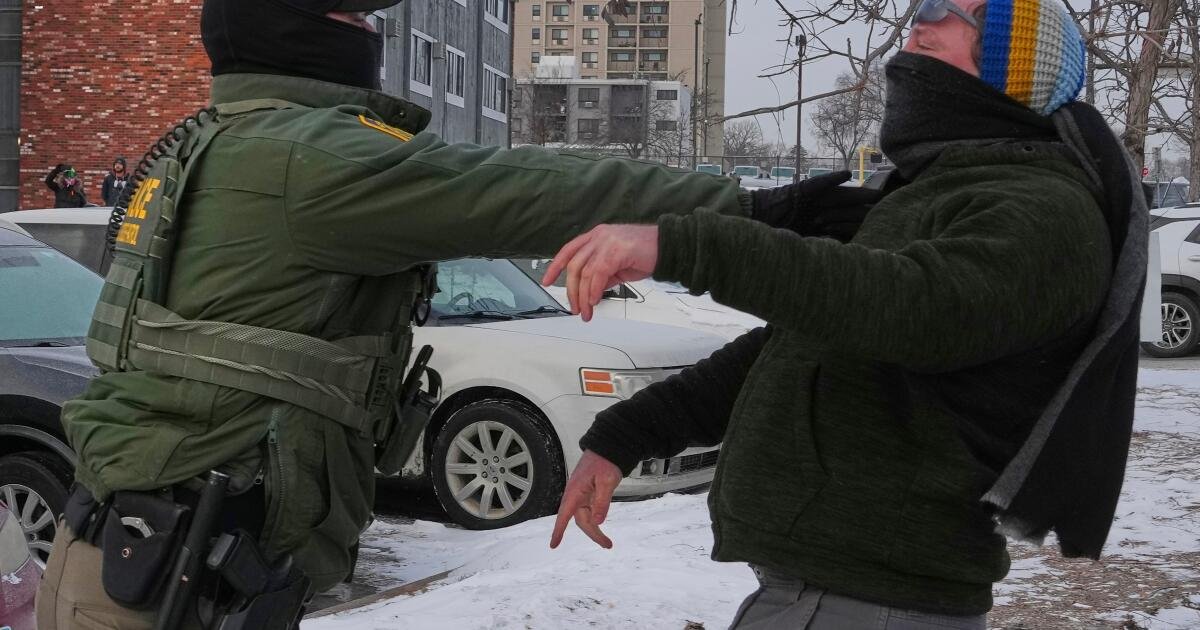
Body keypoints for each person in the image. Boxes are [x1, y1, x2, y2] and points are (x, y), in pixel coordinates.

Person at [33, 1, 869, 628]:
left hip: (150, 555)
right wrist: (752, 212)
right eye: (350, 15)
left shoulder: (215, 137)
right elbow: (527, 191)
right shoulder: (308, 158)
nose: (369, 31)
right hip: (161, 581)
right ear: (289, 28)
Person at [545, 0, 1148, 627]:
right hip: (830, 595)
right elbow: (803, 346)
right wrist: (627, 435)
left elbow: (913, 309)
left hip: (873, 602)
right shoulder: (936, 192)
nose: (924, 16)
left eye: (958, 10)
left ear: (1014, 64)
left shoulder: (1044, 209)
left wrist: (685, 246)